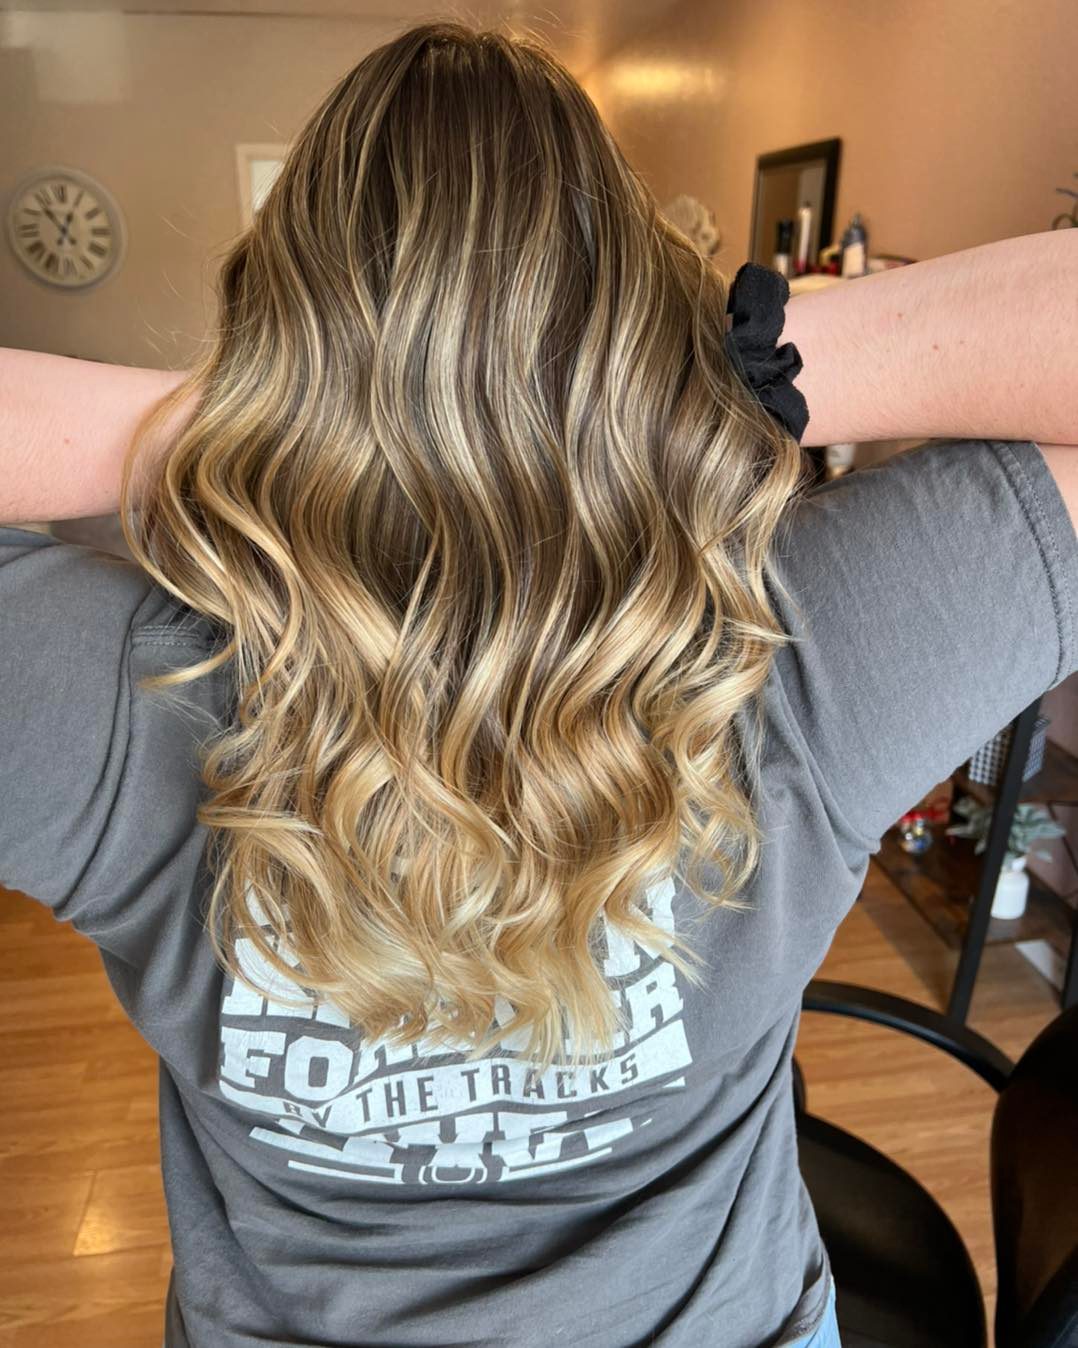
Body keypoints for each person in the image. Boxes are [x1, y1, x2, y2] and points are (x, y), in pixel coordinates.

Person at [1, 19, 1076, 1348]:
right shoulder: (801, 645)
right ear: (638, 308)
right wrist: (713, 383)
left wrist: (265, 428)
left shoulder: (121, 707)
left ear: (270, 317)